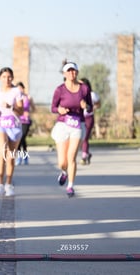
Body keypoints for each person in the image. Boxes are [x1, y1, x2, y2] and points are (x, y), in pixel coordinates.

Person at [51, 62, 92, 198]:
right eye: (68, 71)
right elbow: (53, 108)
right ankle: (64, 172)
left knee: (72, 156)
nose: (71, 73)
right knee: (62, 162)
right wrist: (60, 110)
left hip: (77, 124)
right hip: (63, 125)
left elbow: (90, 107)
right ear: (64, 74)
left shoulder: (84, 89)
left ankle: (70, 186)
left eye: (74, 71)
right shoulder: (59, 90)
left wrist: (85, 106)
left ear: (77, 72)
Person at [0, 67, 23, 197]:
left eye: (9, 77)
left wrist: (12, 107)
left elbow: (21, 111)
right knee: (2, 152)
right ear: (0, 78)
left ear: (12, 78)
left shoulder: (16, 92)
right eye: (4, 77)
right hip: (0, 124)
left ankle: (8, 184)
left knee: (10, 157)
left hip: (14, 126)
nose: (7, 79)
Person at [79, 77, 101, 165]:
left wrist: (94, 107)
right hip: (80, 118)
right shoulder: (78, 94)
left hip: (89, 118)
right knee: (80, 138)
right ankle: (87, 153)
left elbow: (98, 103)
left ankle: (84, 157)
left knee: (85, 137)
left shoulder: (92, 94)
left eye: (81, 84)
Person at [15, 81, 35, 165]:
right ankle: (20, 156)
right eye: (18, 88)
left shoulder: (28, 97)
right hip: (17, 120)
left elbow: (34, 108)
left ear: (23, 89)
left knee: (22, 137)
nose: (20, 90)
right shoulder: (15, 98)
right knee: (19, 139)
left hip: (26, 121)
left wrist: (29, 112)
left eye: (21, 88)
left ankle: (25, 156)